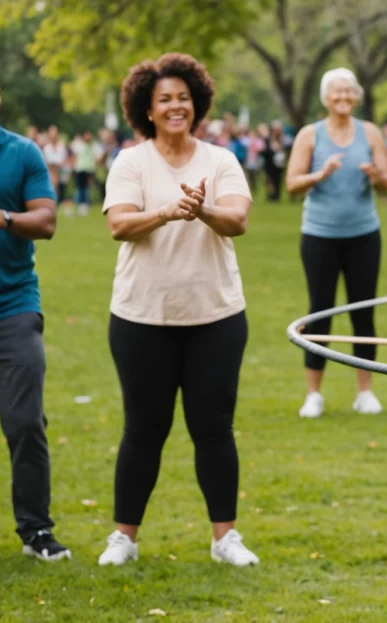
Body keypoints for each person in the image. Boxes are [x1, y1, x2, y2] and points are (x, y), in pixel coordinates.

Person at [98, 52, 258, 567]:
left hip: (215, 316)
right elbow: (120, 224)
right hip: (141, 317)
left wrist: (202, 209)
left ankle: (224, 538)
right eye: (164, 99)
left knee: (213, 427)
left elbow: (237, 221)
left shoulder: (220, 160)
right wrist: (168, 210)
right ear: (146, 109)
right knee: (143, 427)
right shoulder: (131, 162)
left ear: (197, 104)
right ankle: (124, 536)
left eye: (183, 98)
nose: (175, 106)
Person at [0, 52, 70, 561]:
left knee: (25, 424)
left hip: (12, 311)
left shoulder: (23, 152)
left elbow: (47, 221)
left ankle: (36, 531)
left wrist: (6, 217)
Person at [287, 67, 387, 419]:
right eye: (337, 92)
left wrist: (375, 175)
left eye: (349, 92)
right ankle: (313, 394)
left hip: (364, 234)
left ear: (356, 96)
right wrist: (321, 174)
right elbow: (292, 184)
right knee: (320, 311)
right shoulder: (310, 135)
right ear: (325, 97)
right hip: (319, 235)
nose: (343, 97)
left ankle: (365, 392)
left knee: (363, 312)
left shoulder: (370, 133)